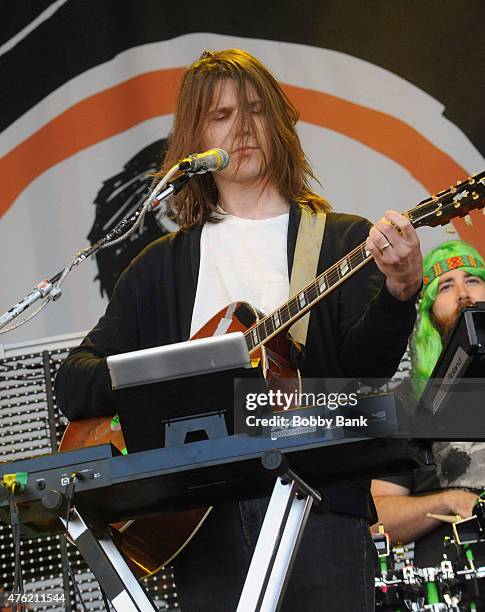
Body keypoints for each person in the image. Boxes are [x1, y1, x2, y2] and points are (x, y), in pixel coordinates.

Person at [55, 49, 423, 611]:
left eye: (254, 111)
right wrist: (166, 383)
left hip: (318, 510)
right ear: (194, 142)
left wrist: (400, 291)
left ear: (278, 123)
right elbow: (74, 382)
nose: (244, 129)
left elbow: (363, 368)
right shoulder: (161, 266)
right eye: (221, 116)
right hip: (205, 527)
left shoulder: (342, 239)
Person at [371, 240, 485, 567]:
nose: (463, 293)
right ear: (428, 310)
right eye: (446, 286)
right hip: (459, 580)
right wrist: (449, 500)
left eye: (473, 280)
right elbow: (379, 519)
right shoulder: (407, 399)